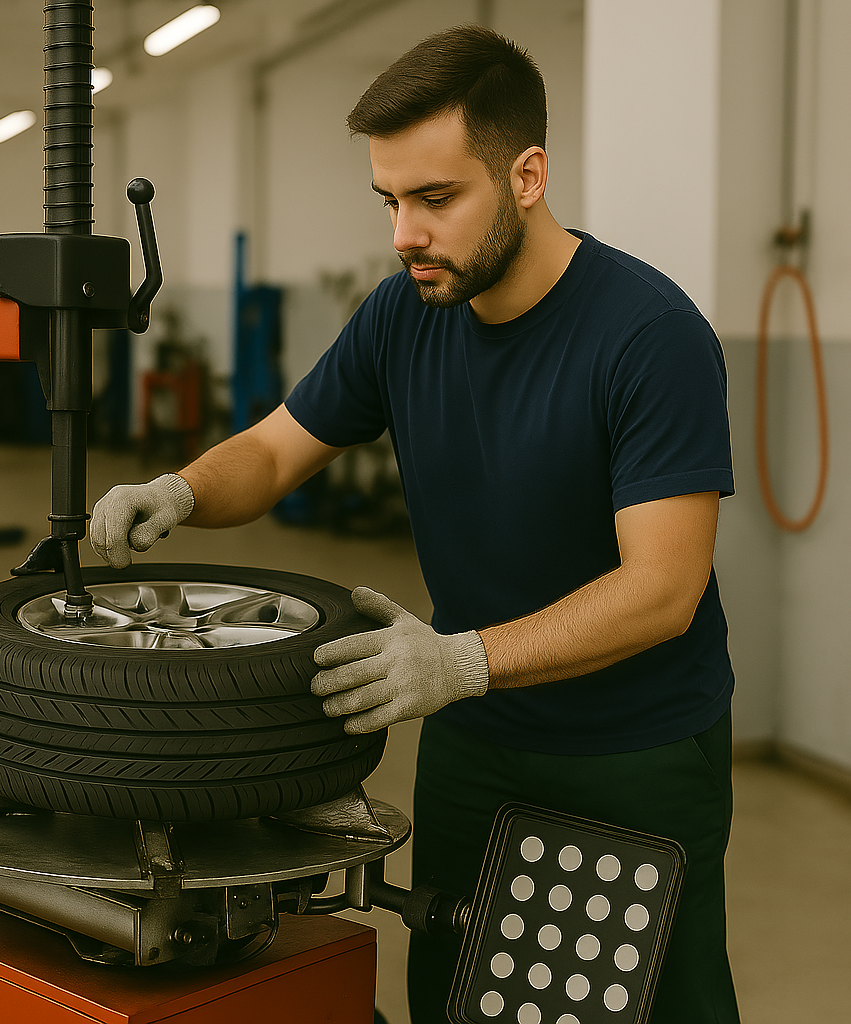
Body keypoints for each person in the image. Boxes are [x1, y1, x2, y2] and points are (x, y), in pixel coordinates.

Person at [90, 24, 741, 1024]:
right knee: (461, 995)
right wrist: (178, 489)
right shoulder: (403, 314)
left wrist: (462, 662)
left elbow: (663, 586)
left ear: (526, 176)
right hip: (473, 744)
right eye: (389, 200)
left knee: (641, 1006)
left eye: (435, 199)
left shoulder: (648, 336)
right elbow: (273, 449)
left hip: (632, 753)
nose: (403, 234)